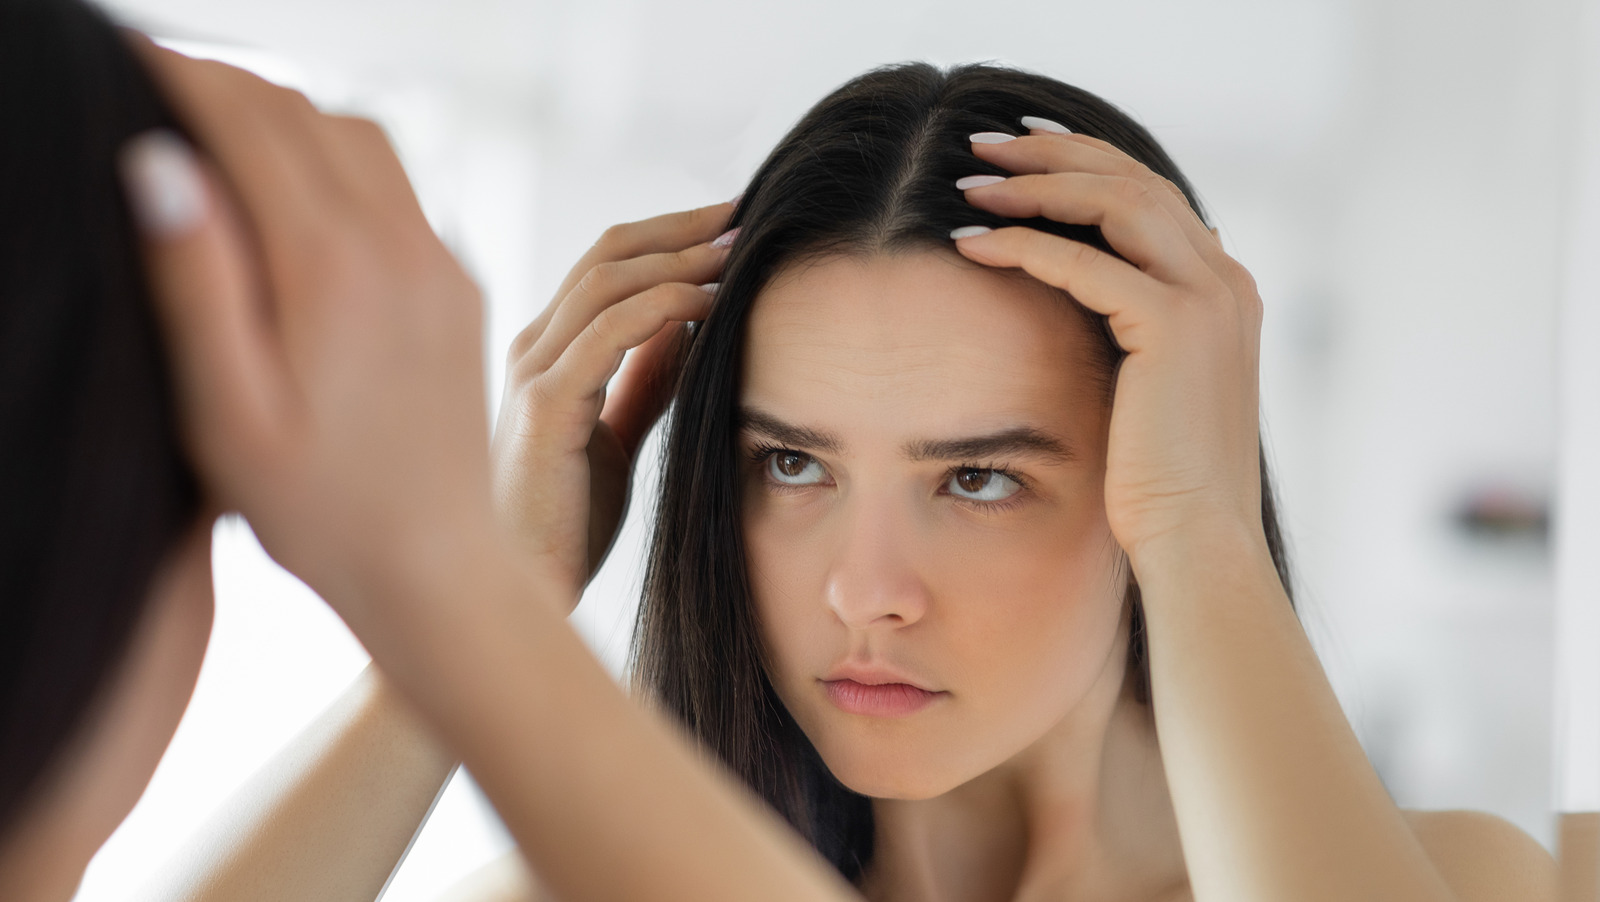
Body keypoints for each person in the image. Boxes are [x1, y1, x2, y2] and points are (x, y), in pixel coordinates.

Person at [0, 2, 1556, 901]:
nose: (863, 592)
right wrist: (480, 593)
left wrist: (1203, 532)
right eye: (791, 466)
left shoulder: (1473, 877)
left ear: (1157, 476)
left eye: (979, 477)